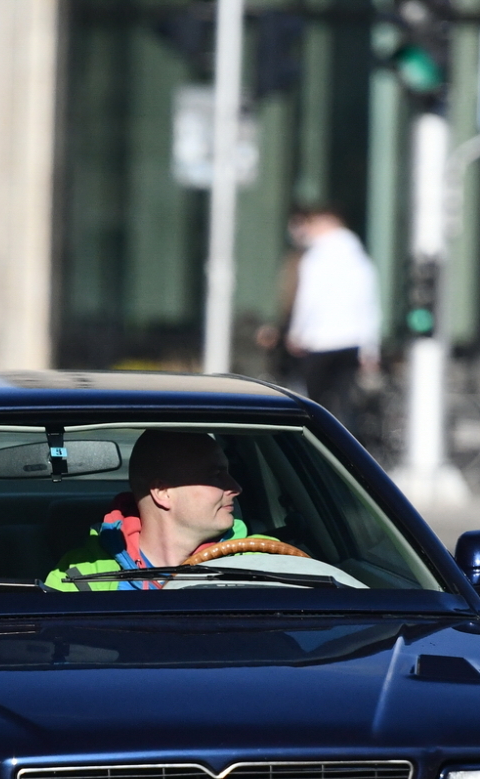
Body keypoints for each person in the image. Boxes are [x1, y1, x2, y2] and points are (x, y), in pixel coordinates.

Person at [47, 430, 252, 590]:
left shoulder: (262, 560)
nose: (236, 488)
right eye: (216, 474)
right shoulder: (78, 577)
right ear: (163, 492)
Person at [282, 202, 380, 424]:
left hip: (319, 341)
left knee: (314, 402)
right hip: (351, 341)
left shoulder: (316, 257)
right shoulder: (359, 258)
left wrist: (296, 333)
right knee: (344, 401)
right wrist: (371, 348)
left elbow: (308, 300)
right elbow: (369, 305)